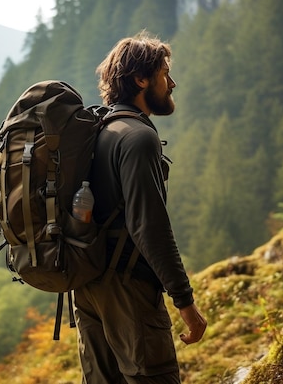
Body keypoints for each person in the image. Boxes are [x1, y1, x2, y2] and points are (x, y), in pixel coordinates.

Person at [73, 31, 207, 384]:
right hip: (128, 292)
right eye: (165, 74)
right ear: (141, 79)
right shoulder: (139, 137)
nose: (172, 83)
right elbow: (149, 228)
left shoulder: (100, 131)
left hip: (88, 286)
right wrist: (185, 302)